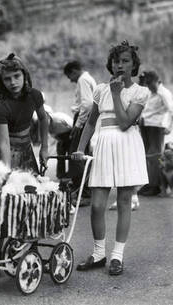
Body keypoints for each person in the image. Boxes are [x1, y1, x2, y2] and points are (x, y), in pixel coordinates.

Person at [72, 41, 149, 276]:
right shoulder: (100, 89)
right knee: (96, 206)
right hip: (104, 144)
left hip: (128, 144)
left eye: (125, 61)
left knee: (124, 202)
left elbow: (126, 123)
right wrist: (80, 147)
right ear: (111, 64)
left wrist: (116, 94)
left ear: (133, 64)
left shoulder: (139, 92)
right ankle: (98, 253)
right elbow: (91, 121)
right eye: (116, 61)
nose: (120, 65)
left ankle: (117, 256)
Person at [0, 53, 49, 276]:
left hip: (27, 152)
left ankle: (29, 250)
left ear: (25, 76)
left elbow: (44, 119)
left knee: (31, 200)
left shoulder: (35, 96)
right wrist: (7, 174)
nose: (13, 82)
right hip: (6, 154)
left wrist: (44, 147)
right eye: (7, 79)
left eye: (17, 76)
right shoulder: (2, 106)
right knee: (3, 204)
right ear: (2, 82)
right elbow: (4, 143)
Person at [63, 60, 97, 204]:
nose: (70, 80)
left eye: (69, 76)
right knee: (82, 154)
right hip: (87, 118)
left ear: (74, 71)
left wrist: (78, 124)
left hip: (84, 118)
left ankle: (85, 193)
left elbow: (87, 104)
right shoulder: (87, 79)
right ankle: (81, 187)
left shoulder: (83, 80)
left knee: (76, 154)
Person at [137, 70, 173, 196]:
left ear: (157, 81)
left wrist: (169, 126)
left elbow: (171, 110)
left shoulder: (164, 93)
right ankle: (150, 182)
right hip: (145, 125)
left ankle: (156, 185)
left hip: (157, 126)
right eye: (147, 84)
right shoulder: (149, 92)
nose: (149, 87)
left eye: (151, 84)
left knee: (155, 156)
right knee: (147, 155)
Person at [43, 104, 73, 179]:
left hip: (70, 134)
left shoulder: (58, 119)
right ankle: (61, 175)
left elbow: (72, 128)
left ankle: (71, 175)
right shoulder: (44, 125)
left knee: (71, 155)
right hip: (60, 137)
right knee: (60, 154)